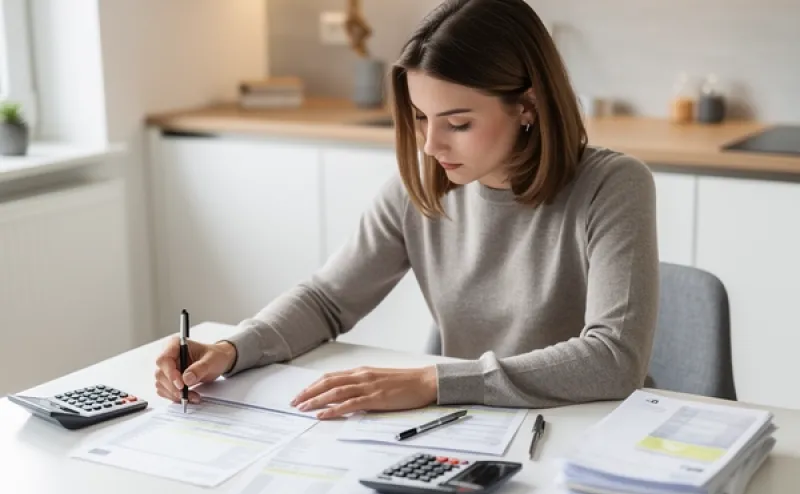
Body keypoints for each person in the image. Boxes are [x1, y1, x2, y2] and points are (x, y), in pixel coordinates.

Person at [154, 0, 659, 419]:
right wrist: (233, 349)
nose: (430, 144)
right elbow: (328, 300)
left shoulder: (613, 185)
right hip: (474, 423)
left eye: (457, 123)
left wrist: (431, 381)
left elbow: (613, 359)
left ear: (527, 106)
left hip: (589, 425)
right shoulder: (421, 187)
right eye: (420, 117)